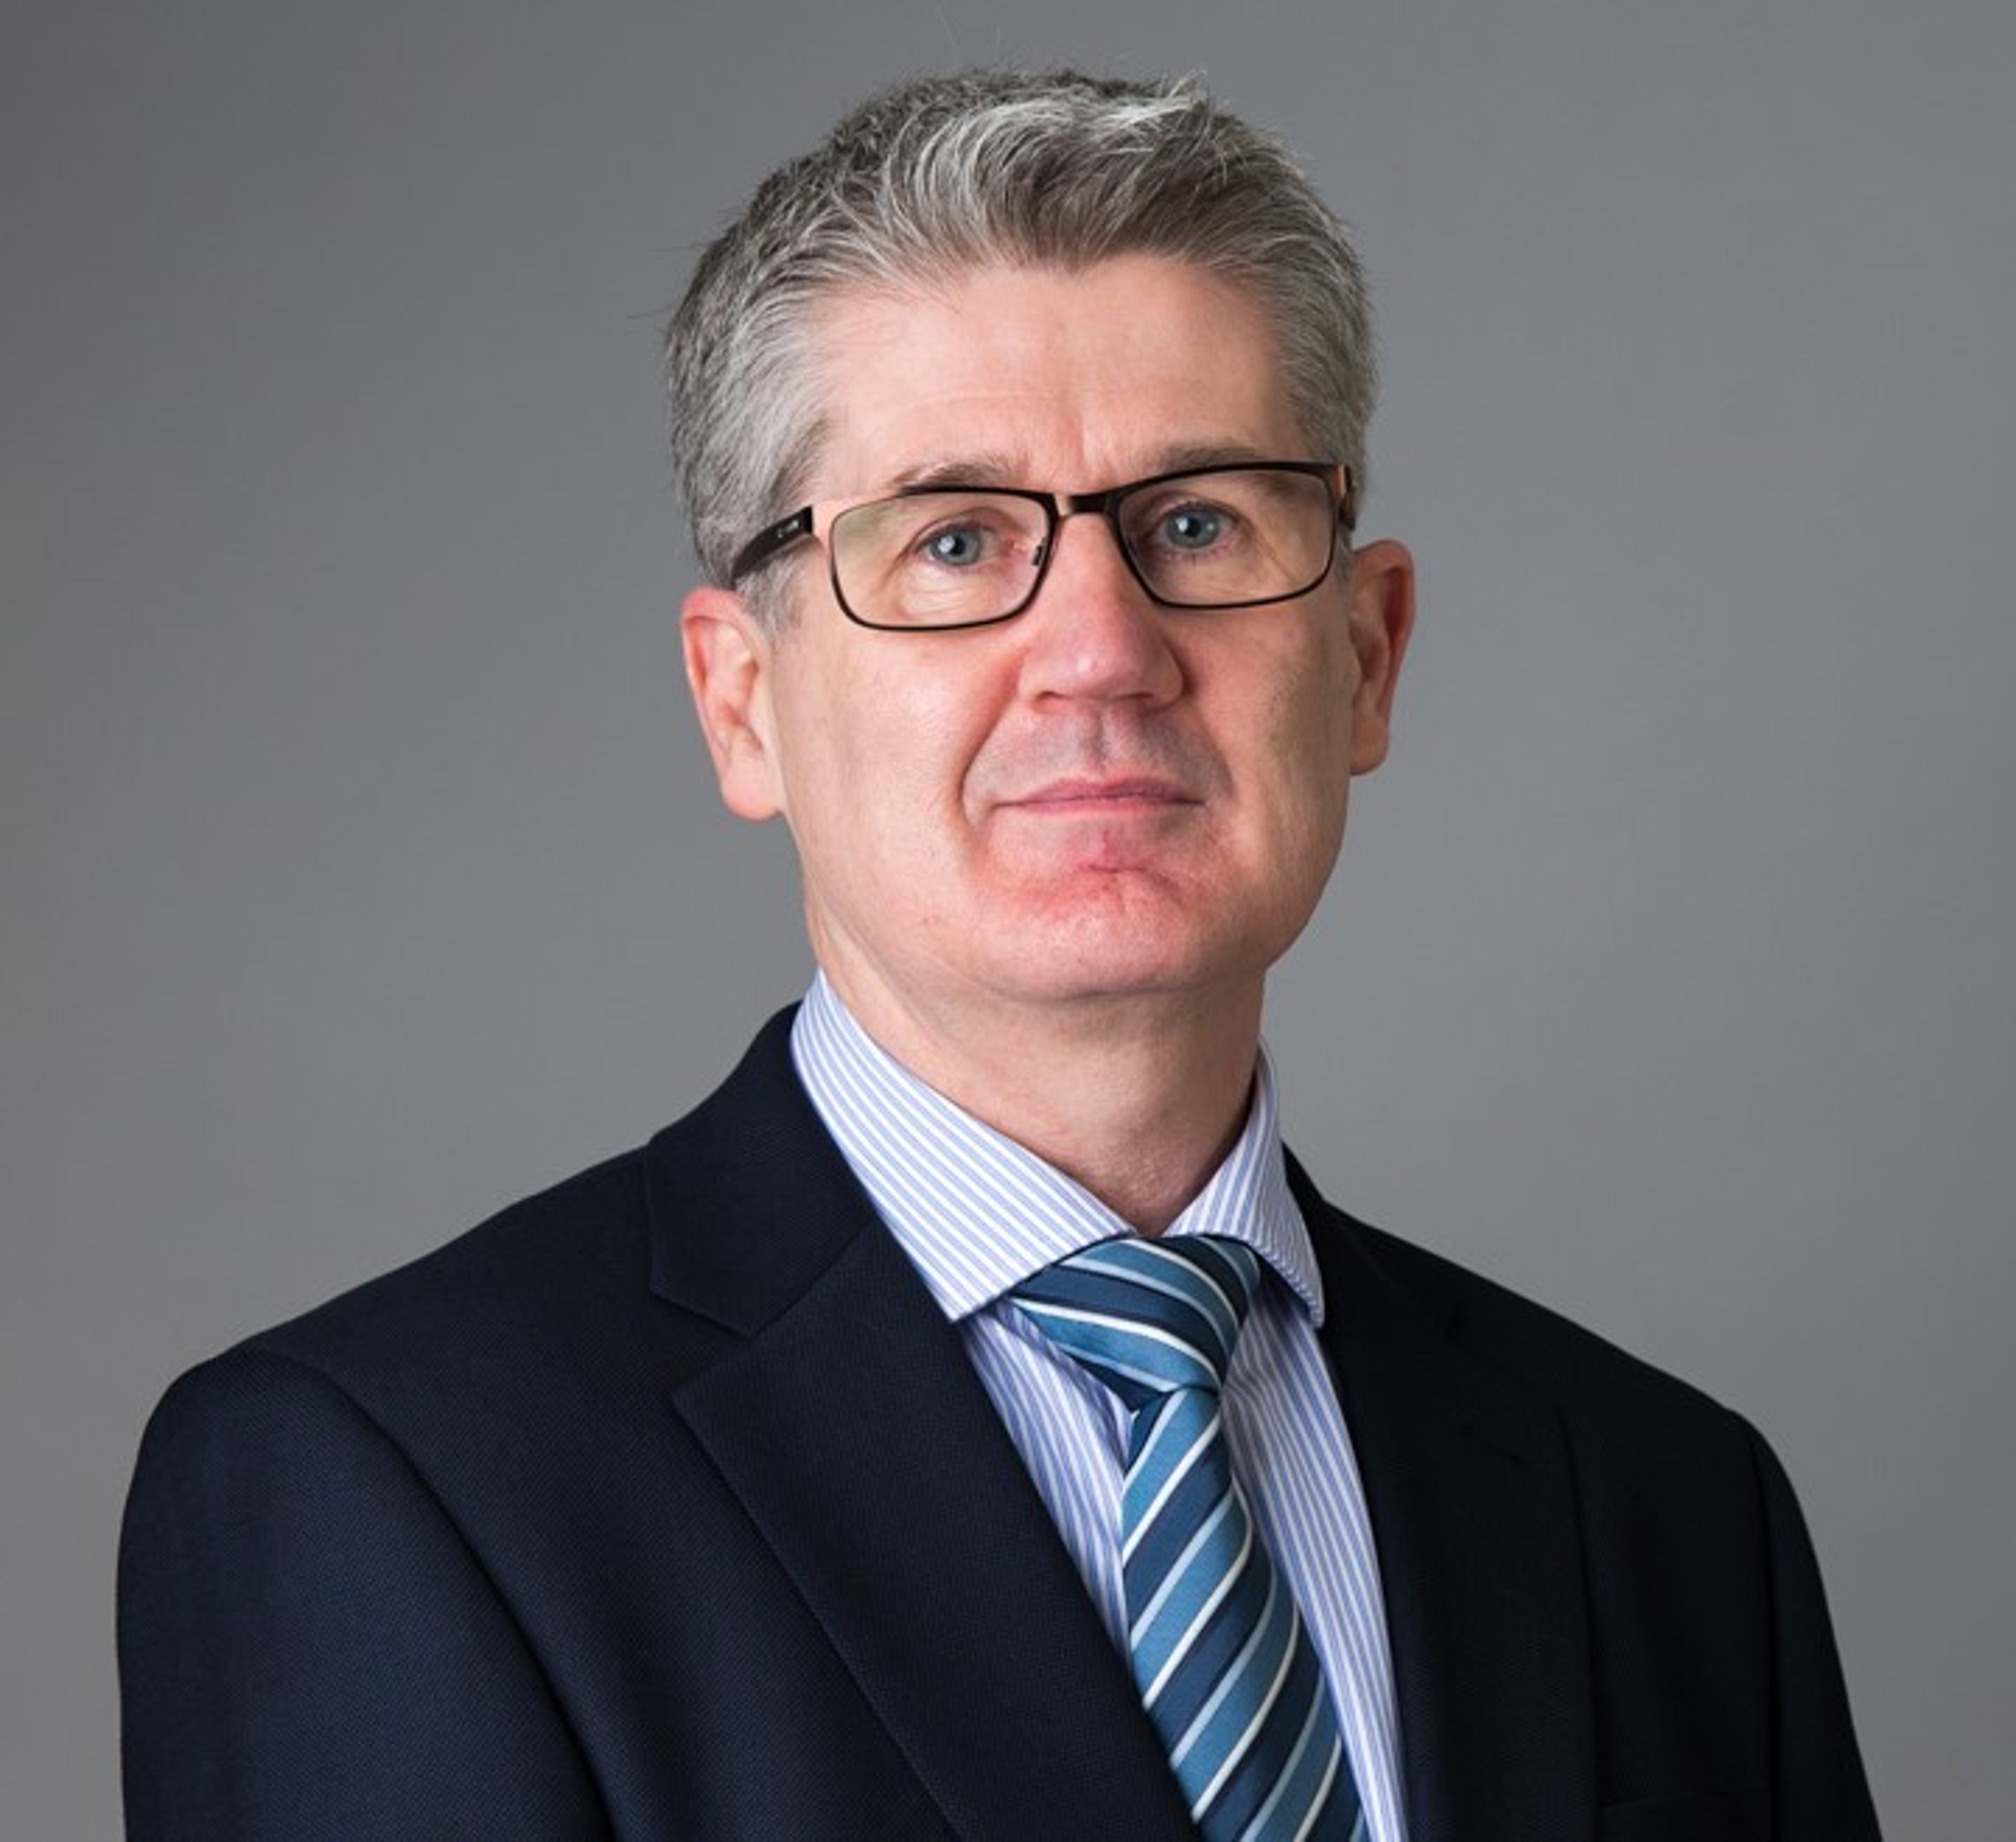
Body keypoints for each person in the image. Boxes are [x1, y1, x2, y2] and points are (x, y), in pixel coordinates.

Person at [117, 70, 1881, 1841]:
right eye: (957, 543)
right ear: (744, 706)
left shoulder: (1667, 1510)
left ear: (1367, 655)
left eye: (1198, 522)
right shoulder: (391, 1486)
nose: (1101, 651)